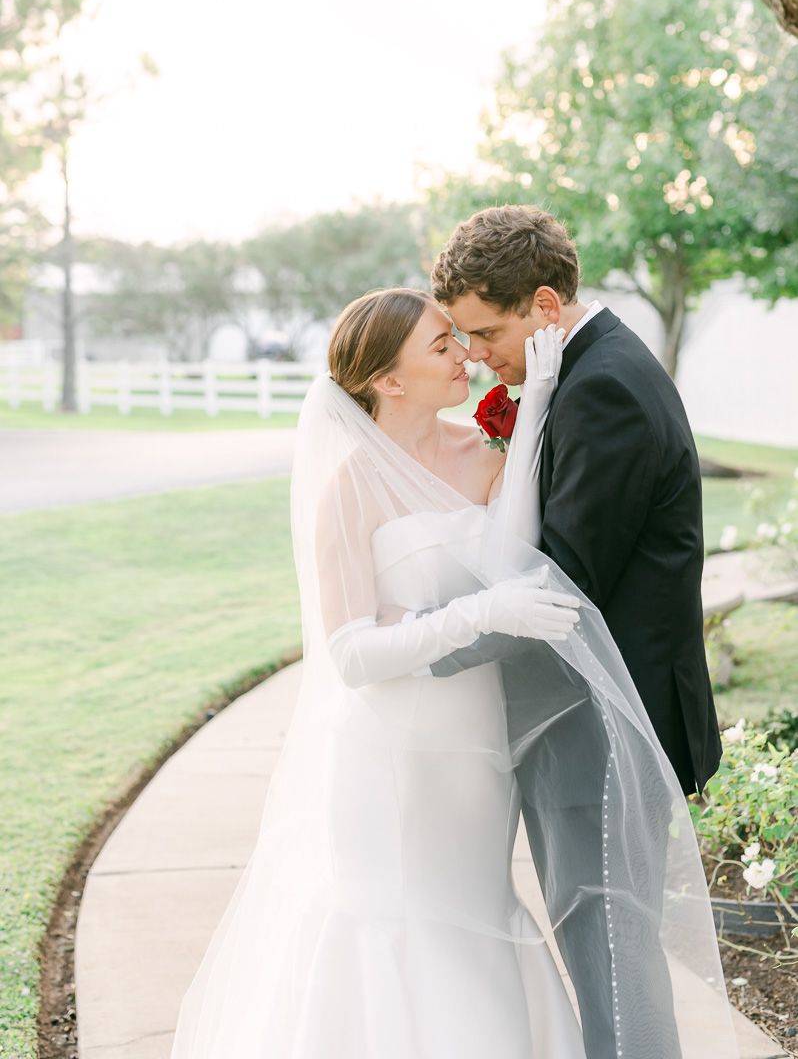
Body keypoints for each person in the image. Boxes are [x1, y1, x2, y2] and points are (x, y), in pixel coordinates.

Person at [169, 285, 737, 1059]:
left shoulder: (487, 455)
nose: (466, 354)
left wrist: (535, 399)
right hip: (392, 757)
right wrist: (476, 617)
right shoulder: (347, 489)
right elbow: (351, 654)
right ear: (388, 380)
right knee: (401, 922)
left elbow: (513, 559)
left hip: (477, 746)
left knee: (476, 912)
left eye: (461, 339)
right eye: (442, 345)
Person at [429, 203, 724, 1058]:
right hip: (585, 709)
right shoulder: (585, 371)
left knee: (610, 960)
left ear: (546, 307)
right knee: (600, 948)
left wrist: (427, 644)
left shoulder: (606, 389)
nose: (477, 355)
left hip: (605, 719)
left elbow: (560, 578)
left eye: (486, 332)